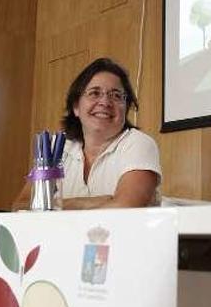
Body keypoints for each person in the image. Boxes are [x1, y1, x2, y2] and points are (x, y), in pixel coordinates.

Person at [12, 58, 161, 210]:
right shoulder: (57, 150)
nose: (105, 102)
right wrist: (90, 202)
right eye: (94, 93)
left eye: (116, 95)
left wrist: (53, 207)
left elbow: (124, 207)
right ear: (76, 106)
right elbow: (19, 207)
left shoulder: (139, 143)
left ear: (126, 108)